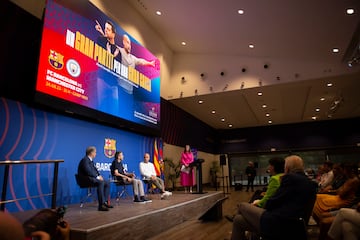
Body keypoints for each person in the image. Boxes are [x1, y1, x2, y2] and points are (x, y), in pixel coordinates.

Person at [231, 155, 317, 240]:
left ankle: (254, 236)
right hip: (296, 226)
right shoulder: (310, 183)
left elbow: (270, 204)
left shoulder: (290, 178)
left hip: (278, 224)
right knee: (238, 220)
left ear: (287, 168)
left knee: (241, 205)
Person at [225, 157, 285, 222]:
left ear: (273, 167)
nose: (268, 167)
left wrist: (257, 203)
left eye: (270, 165)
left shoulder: (274, 179)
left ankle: (237, 215)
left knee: (242, 206)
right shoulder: (283, 176)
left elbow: (268, 198)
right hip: (276, 207)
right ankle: (238, 215)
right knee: (256, 192)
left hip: (268, 209)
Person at [77, 146, 113, 211]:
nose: (96, 154)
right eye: (95, 152)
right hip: (85, 179)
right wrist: (97, 177)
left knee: (107, 182)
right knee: (101, 182)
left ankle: (105, 202)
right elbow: (88, 171)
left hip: (91, 178)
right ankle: (101, 205)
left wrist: (99, 175)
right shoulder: (85, 160)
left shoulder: (91, 161)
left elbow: (95, 170)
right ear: (91, 153)